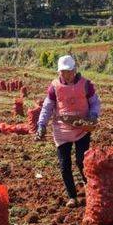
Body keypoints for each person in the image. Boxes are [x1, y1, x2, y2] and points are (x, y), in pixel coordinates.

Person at [36, 55, 101, 207]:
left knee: (81, 160)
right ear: (59, 73)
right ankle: (72, 196)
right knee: (64, 165)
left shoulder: (86, 85)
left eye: (69, 71)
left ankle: (91, 188)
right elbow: (47, 107)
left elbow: (95, 103)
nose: (66, 75)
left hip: (82, 128)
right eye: (63, 72)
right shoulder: (54, 87)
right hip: (62, 130)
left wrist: (93, 115)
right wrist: (41, 124)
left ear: (75, 70)